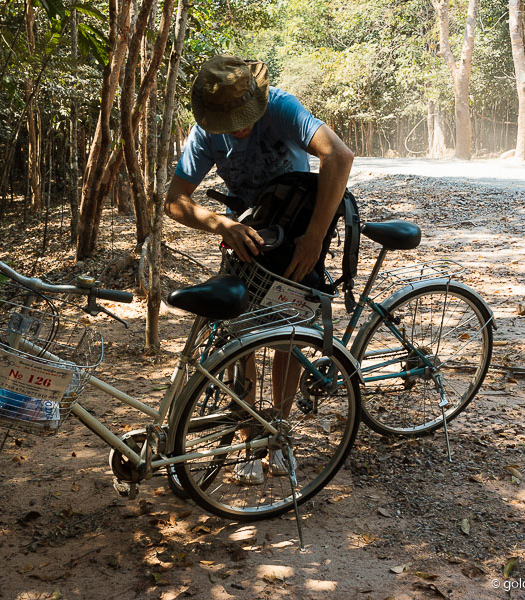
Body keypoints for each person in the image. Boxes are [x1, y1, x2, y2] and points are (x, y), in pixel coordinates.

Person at [165, 54, 354, 484]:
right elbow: (175, 200)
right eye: (227, 121)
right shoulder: (206, 134)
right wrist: (221, 224)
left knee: (286, 338)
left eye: (242, 117)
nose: (236, 127)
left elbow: (339, 157)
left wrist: (316, 237)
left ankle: (278, 434)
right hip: (248, 239)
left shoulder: (283, 108)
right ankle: (249, 434)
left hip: (299, 238)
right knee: (242, 338)